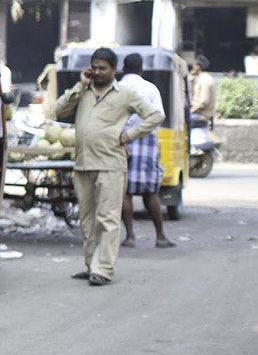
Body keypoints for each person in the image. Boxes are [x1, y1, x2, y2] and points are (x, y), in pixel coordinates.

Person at [55, 47, 162, 286]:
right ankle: (91, 264)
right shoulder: (83, 91)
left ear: (114, 70)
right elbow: (59, 109)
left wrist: (130, 135)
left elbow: (155, 116)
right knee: (87, 219)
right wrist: (80, 85)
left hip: (111, 164)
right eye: (94, 67)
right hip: (83, 164)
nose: (98, 72)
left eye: (103, 68)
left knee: (107, 218)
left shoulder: (125, 93)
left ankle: (103, 268)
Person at [117, 53, 173, 249]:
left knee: (125, 192)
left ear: (123, 68)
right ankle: (160, 237)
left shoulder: (116, 88)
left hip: (120, 140)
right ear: (141, 69)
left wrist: (123, 138)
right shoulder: (150, 88)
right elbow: (159, 116)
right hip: (145, 139)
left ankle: (130, 236)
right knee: (151, 192)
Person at [188, 55, 217, 125]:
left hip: (202, 116)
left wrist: (190, 112)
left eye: (194, 65)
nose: (193, 67)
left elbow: (203, 102)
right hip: (198, 114)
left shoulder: (205, 80)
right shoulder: (200, 78)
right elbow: (193, 96)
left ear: (198, 66)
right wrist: (191, 82)